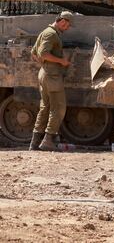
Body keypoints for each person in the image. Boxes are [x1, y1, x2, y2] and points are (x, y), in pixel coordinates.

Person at [30, 11, 73, 151]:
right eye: (67, 25)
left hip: (45, 74)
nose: (67, 28)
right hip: (52, 76)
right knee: (59, 108)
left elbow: (33, 53)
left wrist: (45, 66)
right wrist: (61, 61)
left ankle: (35, 143)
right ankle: (48, 140)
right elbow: (43, 53)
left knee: (45, 108)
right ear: (62, 21)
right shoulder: (51, 34)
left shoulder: (45, 32)